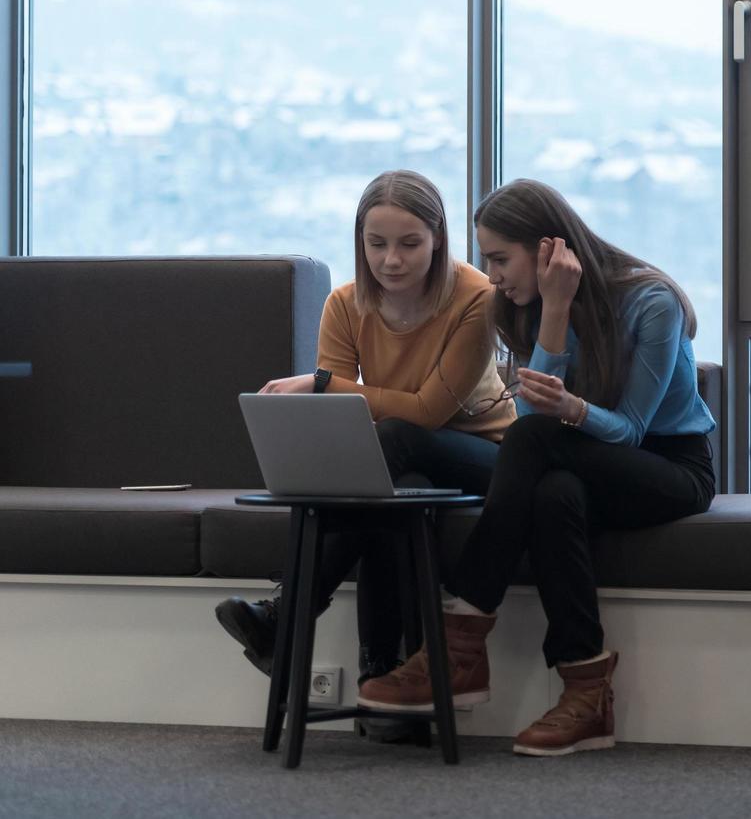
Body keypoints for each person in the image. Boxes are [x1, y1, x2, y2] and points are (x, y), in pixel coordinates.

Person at [357, 178, 717, 758]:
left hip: (667, 467)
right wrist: (554, 310)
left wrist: (574, 408)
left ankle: (461, 637)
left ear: (548, 248)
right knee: (546, 493)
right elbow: (528, 421)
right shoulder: (523, 308)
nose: (492, 275)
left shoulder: (652, 302)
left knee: (542, 460)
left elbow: (628, 431)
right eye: (486, 260)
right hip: (561, 457)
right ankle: (586, 693)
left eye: (501, 259)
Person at [214, 169, 516, 691]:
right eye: (376, 244)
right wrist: (328, 389)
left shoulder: (476, 298)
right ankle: (383, 676)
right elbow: (340, 419)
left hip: (486, 454)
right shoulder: (345, 303)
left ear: (438, 239)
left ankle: (288, 613)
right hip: (405, 461)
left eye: (409, 244)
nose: (391, 260)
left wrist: (322, 382)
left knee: (394, 440)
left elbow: (426, 413)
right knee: (399, 496)